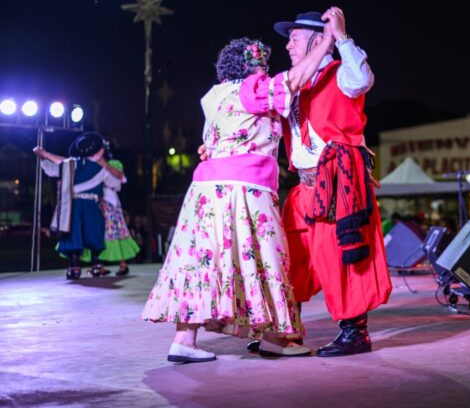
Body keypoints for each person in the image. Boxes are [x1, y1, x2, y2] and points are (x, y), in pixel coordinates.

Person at [142, 29, 332, 363]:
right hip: (244, 190)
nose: (266, 69)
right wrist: (327, 42)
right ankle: (274, 337)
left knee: (205, 261)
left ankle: (184, 339)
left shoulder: (215, 94)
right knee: (264, 257)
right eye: (261, 63)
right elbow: (294, 79)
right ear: (250, 67)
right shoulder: (252, 88)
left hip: (205, 193)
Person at [274, 7, 392, 357]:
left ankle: (355, 332)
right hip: (303, 187)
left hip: (337, 185)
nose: (288, 46)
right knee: (292, 257)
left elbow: (362, 79)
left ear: (316, 40)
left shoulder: (341, 73)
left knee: (339, 256)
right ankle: (288, 331)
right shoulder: (294, 83)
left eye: (294, 38)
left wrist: (340, 36)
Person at [34, 132, 124, 280]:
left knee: (72, 233)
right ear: (97, 150)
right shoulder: (101, 168)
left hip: (72, 205)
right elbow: (116, 184)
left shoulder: (70, 164)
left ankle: (74, 267)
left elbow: (51, 170)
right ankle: (96, 265)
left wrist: (43, 157)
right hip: (91, 204)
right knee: (94, 232)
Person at [98, 159, 140, 276]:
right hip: (106, 201)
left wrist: (105, 165)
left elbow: (121, 177)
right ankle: (109, 265)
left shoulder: (112, 167)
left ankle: (118, 264)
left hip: (109, 203)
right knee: (108, 234)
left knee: (111, 233)